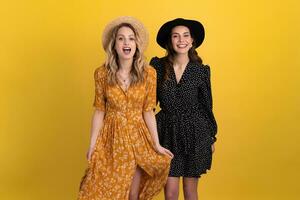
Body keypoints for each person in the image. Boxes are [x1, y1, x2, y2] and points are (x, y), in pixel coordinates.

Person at [78, 16, 173, 200]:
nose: (126, 42)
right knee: (98, 189)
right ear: (114, 45)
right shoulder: (102, 74)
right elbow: (99, 110)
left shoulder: (149, 74)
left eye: (131, 38)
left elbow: (148, 111)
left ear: (137, 44)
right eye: (121, 38)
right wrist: (92, 145)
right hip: (110, 140)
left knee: (132, 194)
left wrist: (156, 144)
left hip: (137, 139)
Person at [150, 18, 218, 200]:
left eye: (186, 35)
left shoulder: (201, 71)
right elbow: (148, 103)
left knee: (190, 192)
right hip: (167, 132)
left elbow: (206, 106)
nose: (181, 40)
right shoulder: (157, 66)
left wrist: (212, 136)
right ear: (170, 41)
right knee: (170, 193)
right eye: (176, 36)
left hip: (194, 134)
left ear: (192, 40)